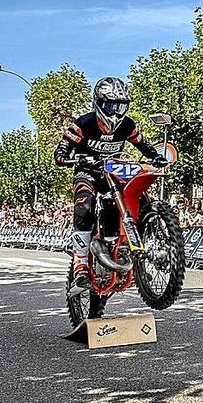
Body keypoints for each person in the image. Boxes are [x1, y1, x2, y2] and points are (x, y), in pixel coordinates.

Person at [54, 77, 166, 296]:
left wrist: (155, 157)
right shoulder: (83, 124)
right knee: (84, 206)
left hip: (113, 173)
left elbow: (144, 146)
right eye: (110, 105)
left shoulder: (127, 125)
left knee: (141, 198)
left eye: (121, 106)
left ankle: (140, 257)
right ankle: (80, 265)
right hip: (88, 173)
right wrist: (69, 159)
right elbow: (61, 152)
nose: (115, 112)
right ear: (98, 102)